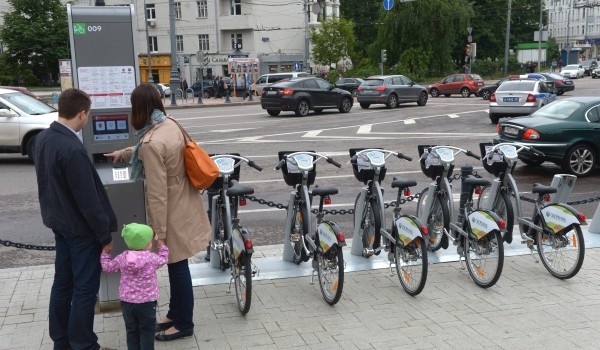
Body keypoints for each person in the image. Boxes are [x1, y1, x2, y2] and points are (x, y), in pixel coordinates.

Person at [103, 83, 210, 342]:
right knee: (178, 264)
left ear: (139, 108)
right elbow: (150, 150)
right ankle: (175, 313)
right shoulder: (168, 123)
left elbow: (157, 193)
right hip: (185, 200)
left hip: (171, 209)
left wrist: (158, 232)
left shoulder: (151, 140)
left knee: (177, 266)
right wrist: (126, 153)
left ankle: (184, 323)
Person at [32, 88, 117, 350]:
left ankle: (61, 339)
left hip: (59, 222)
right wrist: (104, 235)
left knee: (62, 283)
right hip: (80, 229)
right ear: (82, 113)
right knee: (84, 288)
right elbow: (88, 200)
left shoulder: (43, 139)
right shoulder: (72, 148)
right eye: (87, 115)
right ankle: (83, 343)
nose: (87, 119)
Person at [101, 223, 169, 350]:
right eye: (150, 242)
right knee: (147, 332)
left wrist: (105, 254)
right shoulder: (151, 258)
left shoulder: (122, 258)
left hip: (127, 303)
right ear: (146, 244)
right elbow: (164, 259)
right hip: (147, 303)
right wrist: (161, 246)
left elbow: (107, 267)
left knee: (132, 331)